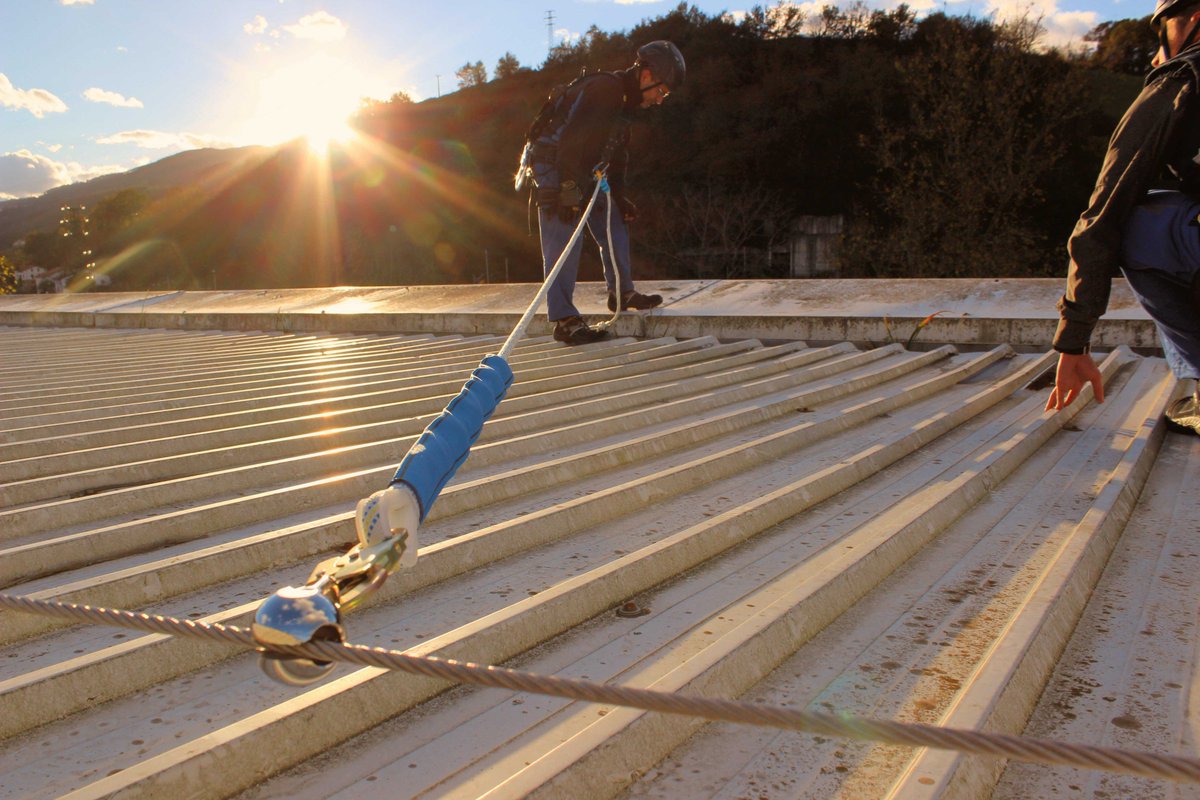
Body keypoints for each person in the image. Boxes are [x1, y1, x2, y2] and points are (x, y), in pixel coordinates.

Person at [1046, 0, 1200, 435]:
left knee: (1142, 224)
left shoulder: (1182, 78)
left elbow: (1103, 214)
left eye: (1161, 34)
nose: (1155, 56)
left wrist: (1073, 340)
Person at [526, 41, 685, 345]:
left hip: (584, 168)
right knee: (563, 233)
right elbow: (572, 140)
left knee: (614, 219)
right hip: (553, 162)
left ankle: (622, 294)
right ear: (647, 75)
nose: (660, 100)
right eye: (661, 92)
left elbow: (617, 155)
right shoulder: (605, 90)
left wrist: (620, 196)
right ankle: (565, 320)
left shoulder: (626, 104)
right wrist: (568, 189)